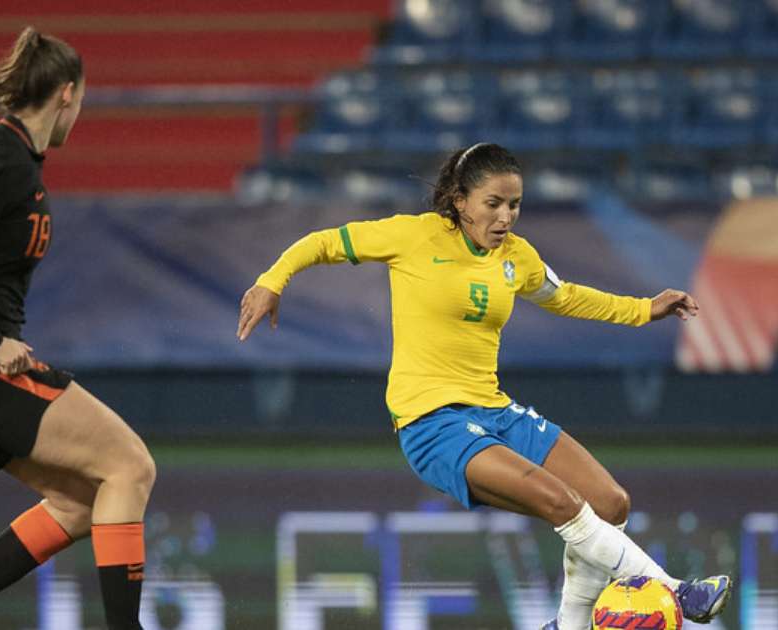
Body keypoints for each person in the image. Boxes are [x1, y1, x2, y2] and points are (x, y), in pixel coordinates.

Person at [236, 143, 731, 629]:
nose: (505, 217)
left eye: (514, 205)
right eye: (492, 204)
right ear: (460, 201)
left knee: (610, 503)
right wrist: (271, 281)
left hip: (493, 410)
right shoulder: (412, 237)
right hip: (432, 423)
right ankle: (676, 592)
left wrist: (645, 308)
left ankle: (568, 625)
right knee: (563, 503)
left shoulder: (516, 257)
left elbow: (567, 298)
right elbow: (322, 242)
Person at [0, 27, 154, 630]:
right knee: (131, 466)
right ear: (66, 93)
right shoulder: (5, 156)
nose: (79, 114)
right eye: (83, 101)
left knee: (82, 500)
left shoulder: (1, 153)